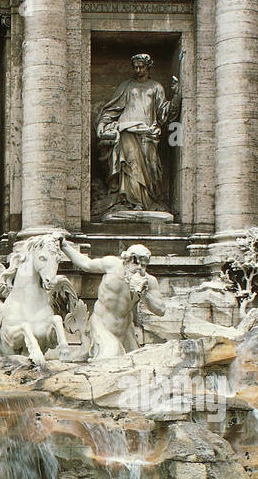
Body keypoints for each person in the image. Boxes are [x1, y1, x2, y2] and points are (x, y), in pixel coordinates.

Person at [95, 53, 180, 214]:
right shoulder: (126, 86)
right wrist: (103, 123)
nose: (138, 70)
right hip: (127, 130)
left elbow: (165, 114)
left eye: (141, 66)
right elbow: (113, 108)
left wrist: (176, 95)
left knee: (151, 167)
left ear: (148, 67)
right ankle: (129, 201)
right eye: (135, 67)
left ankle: (147, 200)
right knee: (129, 164)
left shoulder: (156, 87)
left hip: (148, 133)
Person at [61, 240, 167, 359]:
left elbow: (161, 310)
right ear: (127, 260)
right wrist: (64, 246)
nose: (139, 268)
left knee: (134, 365)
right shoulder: (112, 265)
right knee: (110, 358)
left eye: (143, 265)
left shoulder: (148, 281)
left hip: (125, 331)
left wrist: (144, 293)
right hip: (101, 325)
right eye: (136, 263)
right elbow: (86, 264)